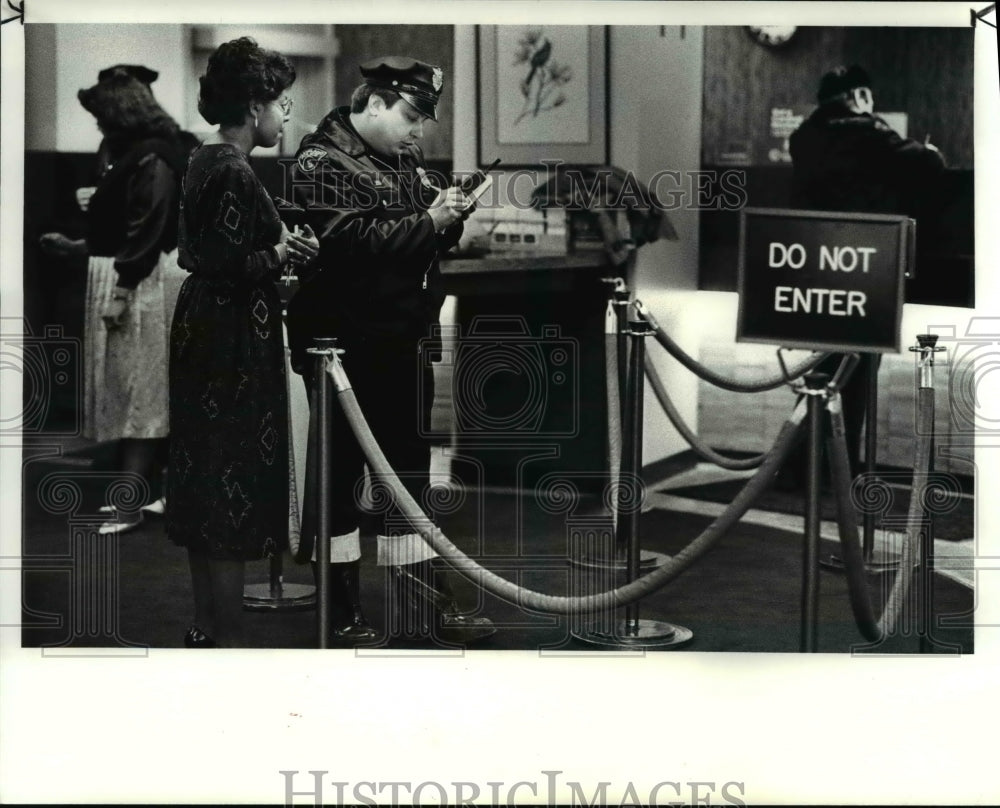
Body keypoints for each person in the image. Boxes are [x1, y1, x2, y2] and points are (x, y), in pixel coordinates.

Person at [286, 56, 495, 645]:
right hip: (342, 342)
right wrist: (431, 219)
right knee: (340, 474)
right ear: (373, 103)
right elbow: (347, 241)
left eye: (423, 118)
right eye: (409, 114)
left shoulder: (402, 157)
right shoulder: (319, 160)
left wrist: (450, 214)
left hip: (401, 335)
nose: (418, 129)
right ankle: (340, 610)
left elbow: (418, 233)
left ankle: (422, 606)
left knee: (406, 471)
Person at [167, 38, 319, 648]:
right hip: (228, 337)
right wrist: (283, 252)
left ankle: (208, 627)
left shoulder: (206, 159)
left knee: (206, 478)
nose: (286, 116)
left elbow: (203, 250)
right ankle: (228, 637)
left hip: (204, 326)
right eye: (282, 104)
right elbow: (231, 262)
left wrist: (274, 240)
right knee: (226, 483)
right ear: (254, 106)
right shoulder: (232, 168)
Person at [39, 65, 198, 534]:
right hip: (138, 274)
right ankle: (154, 493)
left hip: (143, 280)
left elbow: (147, 229)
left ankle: (133, 500)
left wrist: (123, 289)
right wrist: (82, 247)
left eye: (101, 115)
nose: (97, 125)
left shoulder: (152, 157)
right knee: (140, 391)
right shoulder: (148, 152)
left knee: (141, 393)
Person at [783, 64, 945, 484]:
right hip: (868, 269)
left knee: (820, 369)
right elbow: (928, 165)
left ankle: (801, 468)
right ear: (859, 95)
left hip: (817, 268)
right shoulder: (870, 133)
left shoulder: (803, 137)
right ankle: (841, 466)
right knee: (856, 375)